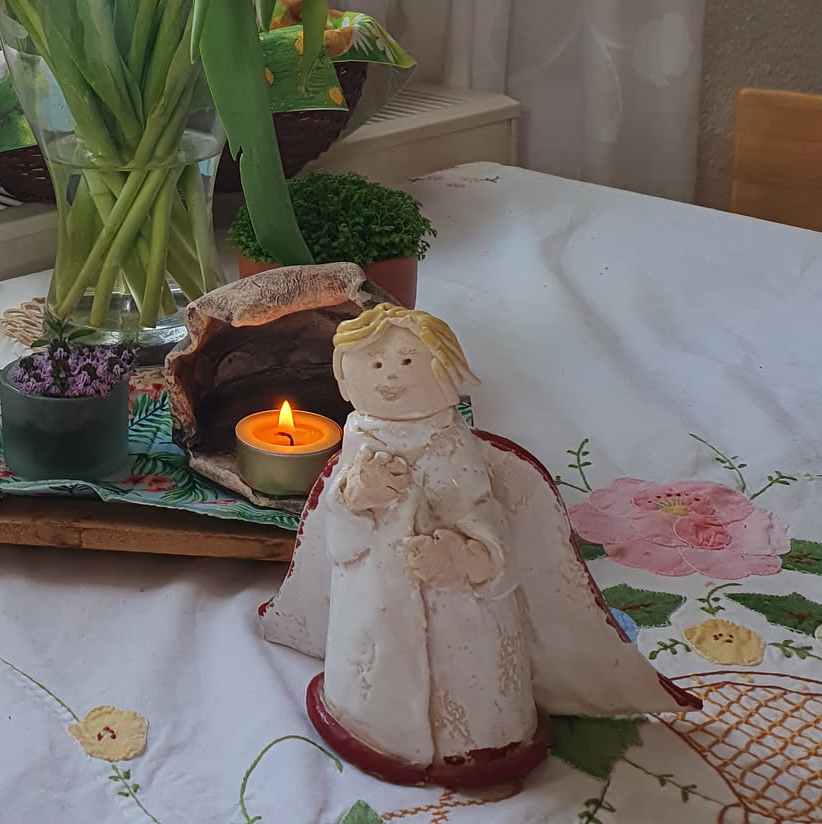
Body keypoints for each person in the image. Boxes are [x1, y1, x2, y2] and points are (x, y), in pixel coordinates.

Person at [260, 303, 697, 789]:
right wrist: (355, 498)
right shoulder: (358, 441)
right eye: (374, 363)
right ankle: (367, 724)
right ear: (345, 380)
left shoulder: (451, 446)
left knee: (466, 674)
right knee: (375, 667)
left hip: (457, 609)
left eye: (407, 360)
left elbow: (484, 520)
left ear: (446, 371)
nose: (390, 376)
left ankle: (473, 744)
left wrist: (461, 555)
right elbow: (338, 540)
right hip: (374, 603)